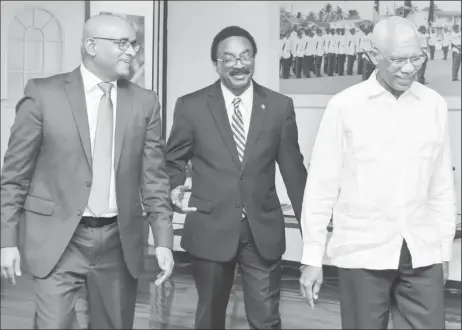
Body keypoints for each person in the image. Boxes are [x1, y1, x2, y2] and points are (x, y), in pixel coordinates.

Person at [0, 14, 174, 329]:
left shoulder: (145, 103)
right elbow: (14, 176)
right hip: (58, 237)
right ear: (91, 46)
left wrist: (163, 239)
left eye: (133, 44)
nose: (131, 52)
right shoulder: (43, 94)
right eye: (122, 43)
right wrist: (6, 240)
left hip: (118, 241)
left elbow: (154, 179)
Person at [299, 16, 456, 329]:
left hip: (420, 251)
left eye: (416, 58)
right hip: (362, 254)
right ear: (373, 57)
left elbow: (441, 184)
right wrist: (312, 256)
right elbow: (321, 186)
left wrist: (443, 249)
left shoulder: (433, 105)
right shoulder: (345, 107)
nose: (409, 69)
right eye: (398, 59)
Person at [166, 26, 307, 329]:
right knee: (210, 316)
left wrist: (312, 228)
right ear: (216, 64)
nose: (238, 64)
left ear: (254, 59)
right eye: (228, 58)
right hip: (210, 227)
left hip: (262, 231)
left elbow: (294, 170)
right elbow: (172, 160)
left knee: (266, 318)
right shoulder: (191, 106)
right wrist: (175, 185)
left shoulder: (280, 107)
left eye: (245, 56)